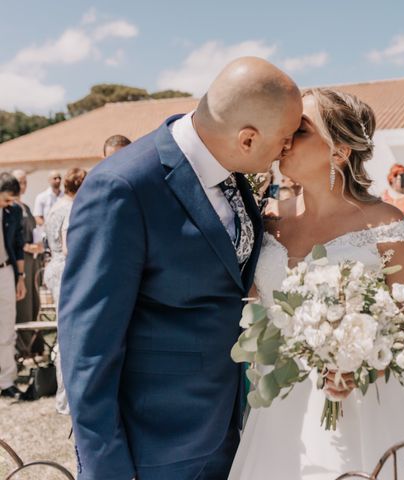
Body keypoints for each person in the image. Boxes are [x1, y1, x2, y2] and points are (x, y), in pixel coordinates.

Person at [57, 57, 302, 480]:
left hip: (228, 431)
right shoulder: (123, 188)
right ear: (247, 139)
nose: (287, 150)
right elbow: (87, 347)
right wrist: (106, 470)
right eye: (283, 139)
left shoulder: (235, 176)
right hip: (154, 449)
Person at [229, 88, 404, 479]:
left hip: (362, 405)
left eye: (302, 131)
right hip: (277, 408)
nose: (286, 139)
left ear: (340, 151)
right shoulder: (267, 219)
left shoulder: (386, 225)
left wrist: (363, 362)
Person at [44, 168, 87, 414]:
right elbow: (70, 247)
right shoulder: (72, 209)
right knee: (69, 333)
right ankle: (66, 398)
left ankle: (63, 397)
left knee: (63, 331)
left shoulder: (56, 206)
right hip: (66, 271)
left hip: (53, 267)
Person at [0, 172, 27, 399]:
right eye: (7, 199)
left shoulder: (14, 211)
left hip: (5, 271)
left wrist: (20, 277)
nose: (10, 204)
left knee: (7, 329)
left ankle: (7, 380)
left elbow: (18, 245)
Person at [12, 170, 44, 354]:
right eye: (19, 182)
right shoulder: (10, 208)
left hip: (34, 260)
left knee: (34, 302)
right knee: (23, 305)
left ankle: (35, 346)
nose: (22, 185)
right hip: (21, 259)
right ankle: (23, 348)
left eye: (24, 182)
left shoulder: (25, 206)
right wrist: (26, 247)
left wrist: (37, 246)